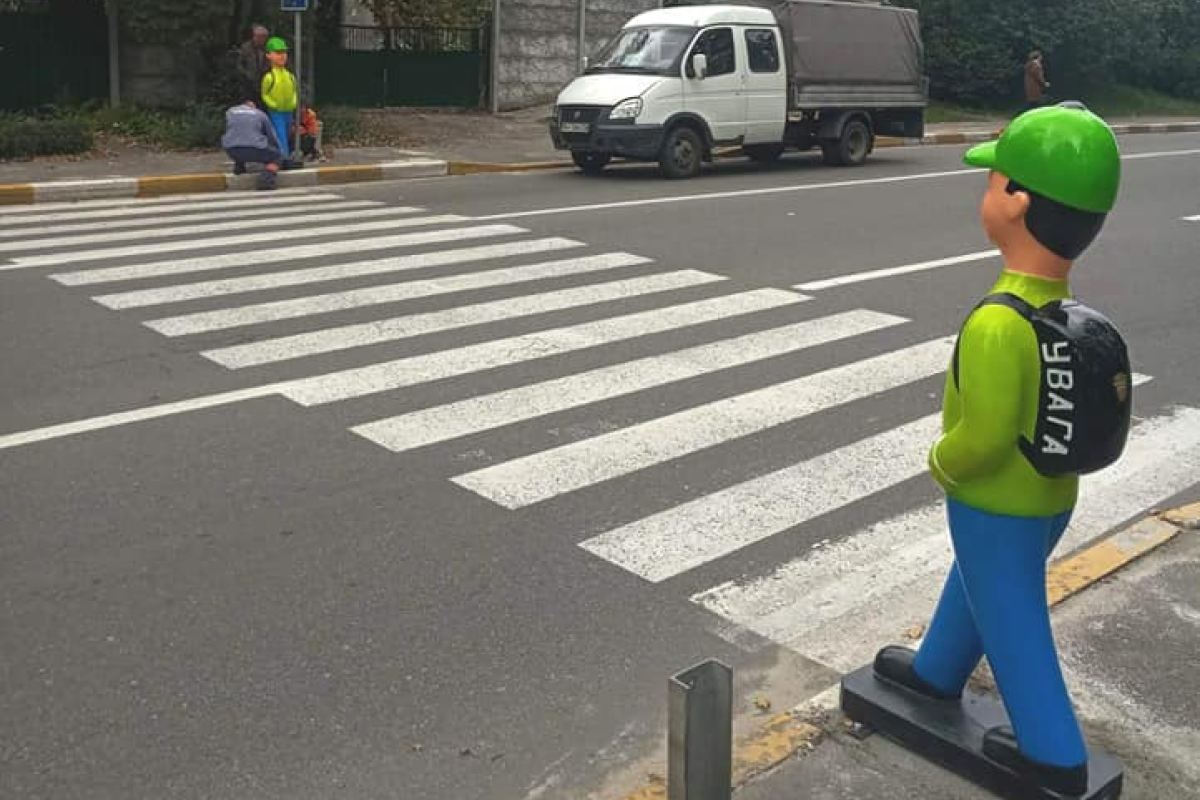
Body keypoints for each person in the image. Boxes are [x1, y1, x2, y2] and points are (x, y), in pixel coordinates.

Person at [872, 104, 1125, 797]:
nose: (985, 194)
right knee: (983, 584)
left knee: (1013, 616)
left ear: (1017, 202)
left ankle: (1052, 749)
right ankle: (937, 671)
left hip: (994, 500)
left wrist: (943, 462)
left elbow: (984, 435)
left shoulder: (997, 322)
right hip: (1050, 494)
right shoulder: (1060, 313)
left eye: (993, 182)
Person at [221, 98, 283, 190]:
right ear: (253, 106)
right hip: (253, 149)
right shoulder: (260, 114)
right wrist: (278, 150)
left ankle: (239, 169)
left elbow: (232, 130)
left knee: (239, 144)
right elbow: (271, 135)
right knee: (276, 157)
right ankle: (266, 180)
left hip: (231, 150)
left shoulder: (230, 112)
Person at [261, 37, 299, 161]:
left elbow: (294, 91)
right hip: (276, 111)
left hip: (288, 110)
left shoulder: (290, 76)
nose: (282, 56)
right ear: (268, 55)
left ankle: (281, 156)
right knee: (280, 134)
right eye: (278, 52)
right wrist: (273, 104)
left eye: (284, 52)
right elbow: (264, 94)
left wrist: (294, 101)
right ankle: (283, 158)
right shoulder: (269, 77)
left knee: (286, 134)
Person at [237, 24, 270, 107]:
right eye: (259, 36)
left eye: (264, 37)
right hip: (249, 85)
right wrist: (246, 74)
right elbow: (240, 64)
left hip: (265, 84)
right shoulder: (246, 47)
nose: (262, 39)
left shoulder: (268, 48)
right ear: (254, 36)